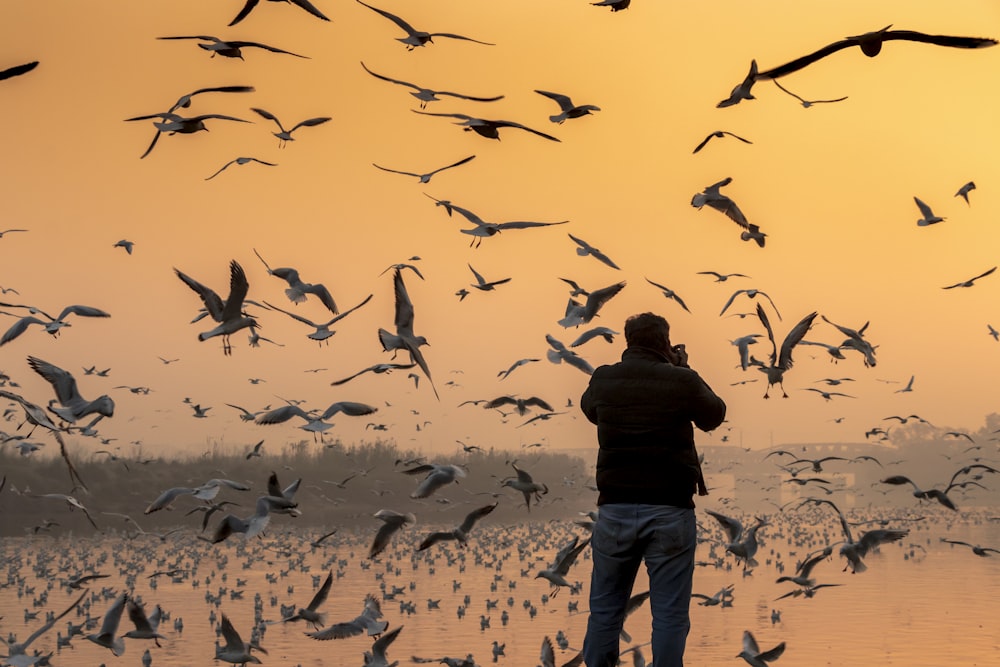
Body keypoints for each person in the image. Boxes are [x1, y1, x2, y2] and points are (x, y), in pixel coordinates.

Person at [580, 312, 726, 667]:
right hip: (669, 511)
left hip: (614, 510)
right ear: (664, 341)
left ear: (628, 341)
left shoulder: (603, 379)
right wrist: (685, 371)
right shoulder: (682, 380)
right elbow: (714, 415)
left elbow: (591, 411)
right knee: (670, 614)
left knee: (604, 609)